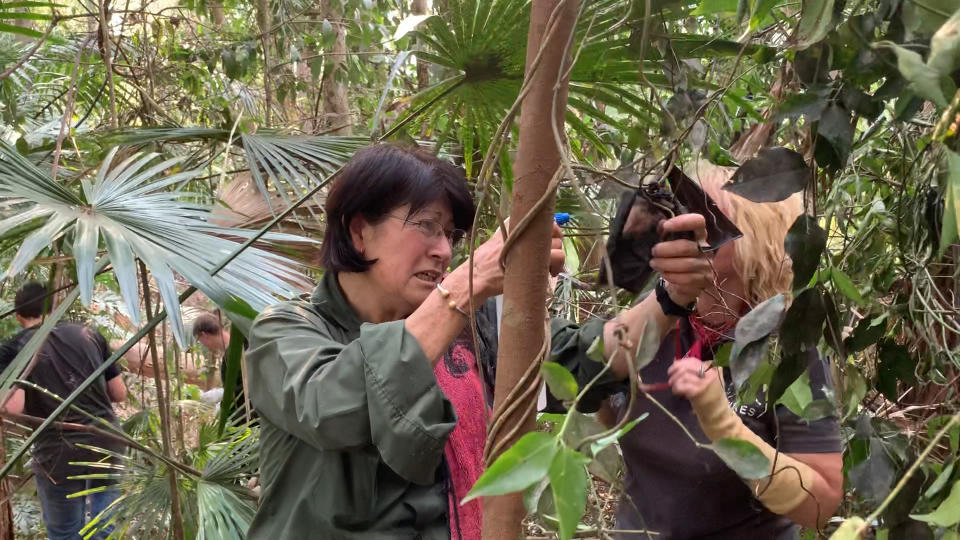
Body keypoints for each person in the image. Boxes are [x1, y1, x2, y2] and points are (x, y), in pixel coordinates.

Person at [244, 143, 714, 539]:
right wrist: (467, 286)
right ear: (360, 231)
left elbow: (584, 358)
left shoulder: (475, 324)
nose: (444, 250)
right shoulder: (285, 333)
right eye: (425, 225)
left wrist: (671, 298)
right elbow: (335, 403)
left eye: (450, 234)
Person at [581, 161, 845, 539]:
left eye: (706, 212)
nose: (690, 225)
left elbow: (819, 505)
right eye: (682, 211)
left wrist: (724, 425)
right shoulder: (655, 317)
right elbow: (602, 407)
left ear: (755, 230)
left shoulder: (787, 345)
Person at [0, 282, 127, 540]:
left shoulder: (15, 347)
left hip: (58, 449)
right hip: (106, 439)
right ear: (55, 306)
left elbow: (13, 407)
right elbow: (119, 393)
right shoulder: (89, 334)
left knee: (65, 532)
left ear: (18, 316)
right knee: (104, 527)